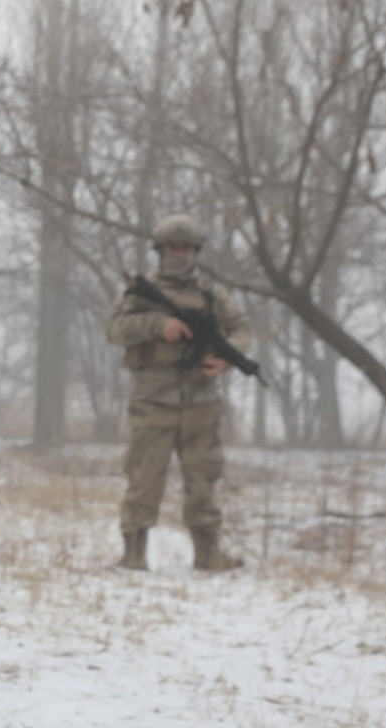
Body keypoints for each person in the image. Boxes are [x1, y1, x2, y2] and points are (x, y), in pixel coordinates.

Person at [107, 213, 254, 572]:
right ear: (160, 250)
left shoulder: (210, 295)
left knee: (203, 478)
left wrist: (225, 359)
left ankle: (208, 553)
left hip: (200, 401)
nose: (180, 254)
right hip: (153, 400)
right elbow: (115, 329)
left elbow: (240, 330)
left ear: (196, 251)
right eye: (173, 247)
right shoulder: (141, 293)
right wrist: (158, 325)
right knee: (143, 477)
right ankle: (133, 553)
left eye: (186, 247)